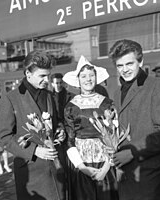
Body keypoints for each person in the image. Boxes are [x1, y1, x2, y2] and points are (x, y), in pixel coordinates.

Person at [109, 39, 160, 200]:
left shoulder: (158, 86)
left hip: (148, 175)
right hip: (126, 174)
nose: (124, 70)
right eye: (120, 66)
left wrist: (132, 151)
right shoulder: (117, 92)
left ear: (141, 61)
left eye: (129, 64)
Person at [0, 51, 66, 200]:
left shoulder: (49, 95)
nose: (46, 80)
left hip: (56, 169)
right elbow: (3, 137)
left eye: (48, 75)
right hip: (31, 172)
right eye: (42, 76)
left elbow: (57, 121)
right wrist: (34, 151)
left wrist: (60, 130)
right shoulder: (10, 98)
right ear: (28, 73)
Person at [63, 55, 119, 200]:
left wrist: (106, 168)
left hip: (105, 164)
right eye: (83, 76)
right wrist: (83, 168)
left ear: (96, 77)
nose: (88, 79)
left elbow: (115, 136)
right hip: (82, 166)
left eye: (91, 75)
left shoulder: (107, 104)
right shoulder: (71, 107)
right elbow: (70, 141)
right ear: (78, 81)